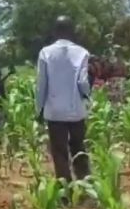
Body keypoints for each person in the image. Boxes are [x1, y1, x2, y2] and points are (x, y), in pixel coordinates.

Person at [36, 16, 90, 183]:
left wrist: (39, 109)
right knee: (78, 148)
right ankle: (84, 185)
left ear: (55, 32)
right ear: (71, 32)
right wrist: (87, 97)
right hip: (76, 111)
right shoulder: (82, 52)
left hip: (54, 112)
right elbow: (83, 83)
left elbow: (41, 85)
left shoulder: (45, 53)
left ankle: (65, 188)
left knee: (59, 151)